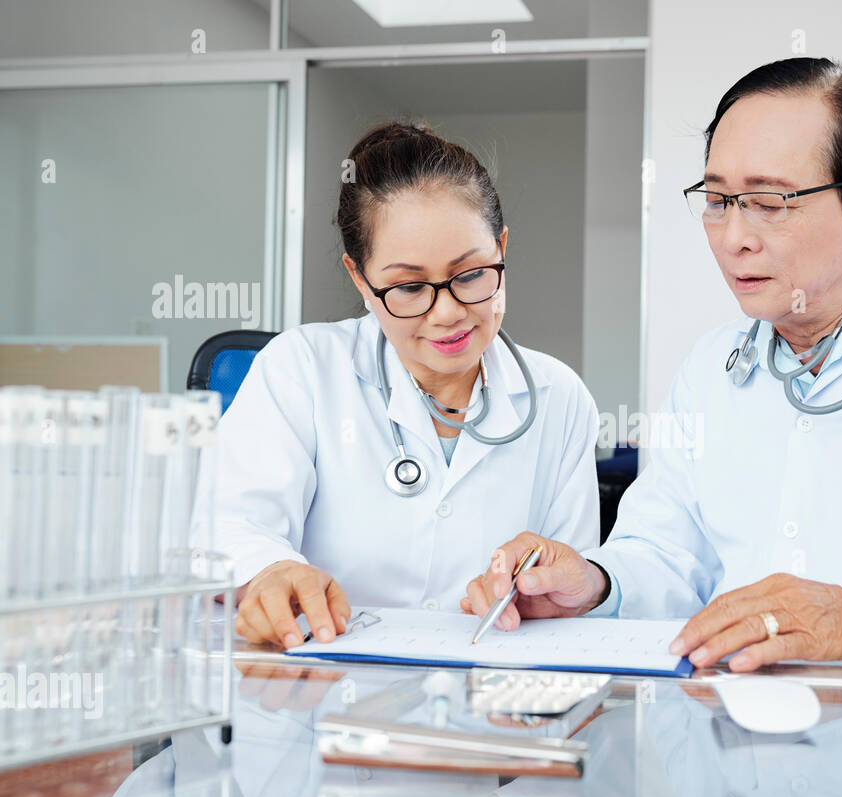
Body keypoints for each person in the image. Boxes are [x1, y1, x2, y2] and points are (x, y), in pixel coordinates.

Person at [461, 58, 842, 668]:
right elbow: (667, 555)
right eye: (718, 199)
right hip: (734, 734)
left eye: (770, 202)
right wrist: (593, 585)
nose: (731, 237)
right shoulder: (712, 365)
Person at [201, 121, 599, 648]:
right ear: (360, 279)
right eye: (410, 287)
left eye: (472, 274)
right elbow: (227, 524)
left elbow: (566, 587)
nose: (448, 312)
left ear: (501, 247)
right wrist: (269, 572)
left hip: (485, 701)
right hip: (326, 689)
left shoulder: (559, 398)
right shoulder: (302, 369)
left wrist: (543, 589)